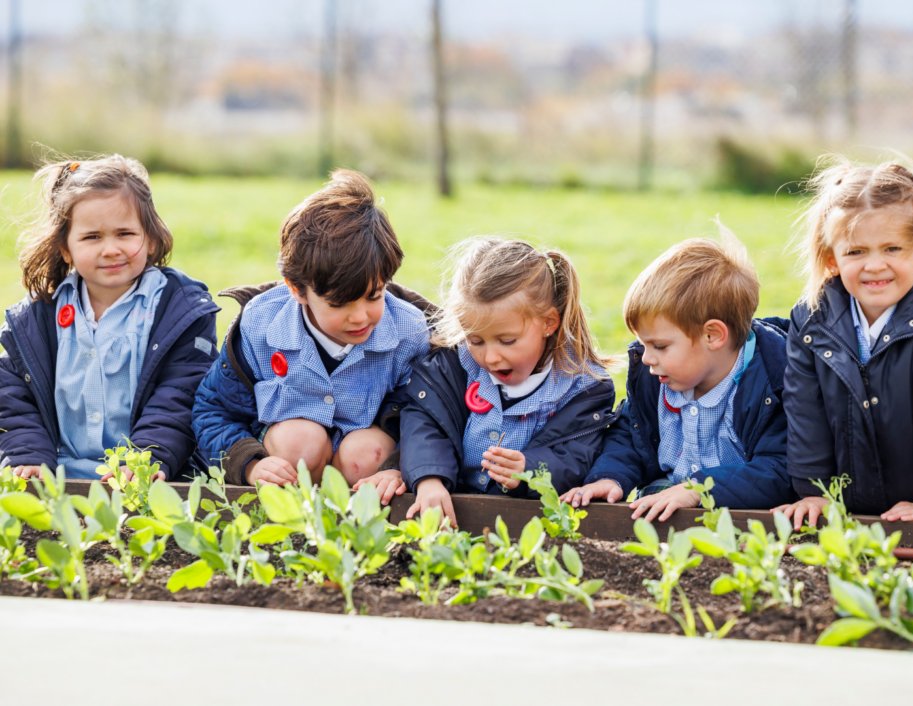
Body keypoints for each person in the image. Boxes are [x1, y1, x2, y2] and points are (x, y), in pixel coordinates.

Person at [192, 169, 430, 494]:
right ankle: (297, 525)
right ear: (297, 290)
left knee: (366, 453)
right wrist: (249, 463)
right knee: (299, 443)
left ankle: (356, 525)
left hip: (365, 468)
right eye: (340, 304)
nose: (360, 316)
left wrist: (399, 468)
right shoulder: (260, 326)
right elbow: (214, 408)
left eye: (374, 295)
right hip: (290, 451)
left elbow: (429, 419)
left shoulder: (410, 333)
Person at [772, 157, 913, 528]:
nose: (874, 265)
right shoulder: (811, 320)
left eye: (892, 249)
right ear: (831, 258)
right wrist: (814, 489)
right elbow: (805, 409)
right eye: (855, 252)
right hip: (850, 500)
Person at [0, 155, 219, 481]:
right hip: (58, 477)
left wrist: (148, 456)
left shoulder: (178, 311)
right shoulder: (39, 318)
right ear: (66, 249)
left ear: (151, 238)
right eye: (92, 237)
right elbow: (13, 397)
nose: (111, 249)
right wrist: (27, 454)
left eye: (125, 234)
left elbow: (182, 393)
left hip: (150, 478)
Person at [561, 232, 794, 521]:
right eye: (644, 345)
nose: (646, 357)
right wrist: (610, 478)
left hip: (742, 509)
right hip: (667, 494)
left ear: (713, 335)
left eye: (659, 346)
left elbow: (778, 469)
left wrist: (698, 490)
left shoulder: (772, 383)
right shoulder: (655, 378)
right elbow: (630, 438)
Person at [399, 237, 617, 526]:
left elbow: (576, 456)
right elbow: (424, 424)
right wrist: (429, 478)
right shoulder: (454, 365)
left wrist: (529, 470)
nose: (490, 357)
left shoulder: (581, 387)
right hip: (454, 504)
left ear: (548, 323)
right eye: (475, 340)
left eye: (507, 341)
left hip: (525, 521)